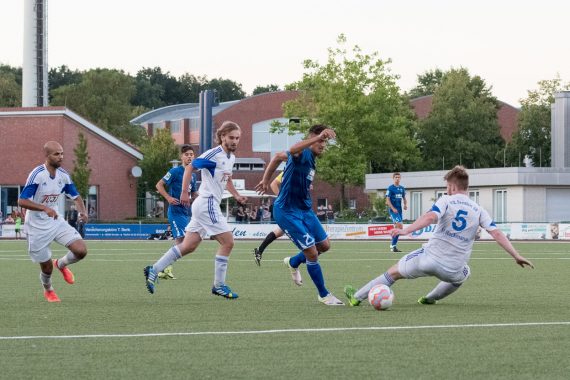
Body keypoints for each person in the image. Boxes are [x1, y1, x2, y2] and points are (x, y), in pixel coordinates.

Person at [344, 166, 534, 307]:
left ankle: (356, 297)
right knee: (464, 274)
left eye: (446, 186)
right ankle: (430, 298)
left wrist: (405, 230)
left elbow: (430, 217)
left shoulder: (446, 200)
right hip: (453, 269)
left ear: (452, 186)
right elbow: (497, 233)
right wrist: (516, 255)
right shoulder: (479, 209)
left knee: (392, 273)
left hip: (427, 260)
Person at [144, 121, 247, 299]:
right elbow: (191, 167)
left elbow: (226, 179)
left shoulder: (231, 158)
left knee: (188, 246)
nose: (235, 141)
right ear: (222, 136)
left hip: (205, 205)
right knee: (228, 242)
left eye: (237, 138)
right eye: (231, 137)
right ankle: (219, 285)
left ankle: (154, 269)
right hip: (207, 203)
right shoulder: (214, 154)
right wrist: (184, 192)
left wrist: (236, 195)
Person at [255, 124, 344, 306]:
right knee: (312, 253)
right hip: (287, 211)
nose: (323, 145)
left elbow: (278, 157)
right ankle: (324, 294)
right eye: (322, 141)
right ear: (313, 138)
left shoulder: (311, 158)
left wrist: (266, 179)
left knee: (325, 246)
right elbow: (290, 150)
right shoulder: (301, 152)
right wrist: (265, 180)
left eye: (325, 142)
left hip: (304, 210)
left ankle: (293, 262)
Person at [18, 141, 88, 303]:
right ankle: (48, 289)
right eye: (56, 154)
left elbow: (75, 196)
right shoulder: (37, 175)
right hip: (36, 227)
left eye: (62, 153)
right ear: (47, 156)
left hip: (56, 221)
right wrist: (44, 208)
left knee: (81, 250)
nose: (61, 157)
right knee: (46, 268)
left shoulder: (63, 175)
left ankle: (61, 264)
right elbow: (22, 201)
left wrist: (82, 211)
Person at [155, 144, 198, 280]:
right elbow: (159, 184)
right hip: (175, 212)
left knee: (183, 243)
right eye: (187, 154)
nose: (189, 156)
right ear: (182, 157)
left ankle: (164, 267)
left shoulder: (193, 175)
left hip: (185, 213)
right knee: (183, 242)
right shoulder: (175, 172)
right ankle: (163, 268)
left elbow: (194, 193)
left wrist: (201, 200)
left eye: (191, 154)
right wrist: (168, 197)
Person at [252, 172, 285, 266]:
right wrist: (283, 199)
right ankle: (295, 261)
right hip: (287, 208)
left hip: (294, 208)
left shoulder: (304, 169)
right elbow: (273, 184)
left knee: (280, 231)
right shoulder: (289, 169)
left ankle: (259, 250)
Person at [385, 172, 407, 253]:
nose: (397, 178)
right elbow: (387, 200)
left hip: (399, 210)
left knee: (399, 228)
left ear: (400, 178)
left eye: (399, 177)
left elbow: (404, 197)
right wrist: (393, 208)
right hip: (393, 210)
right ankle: (393, 245)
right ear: (393, 178)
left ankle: (393, 246)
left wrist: (405, 205)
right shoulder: (390, 188)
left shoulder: (402, 188)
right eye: (396, 177)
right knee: (399, 226)